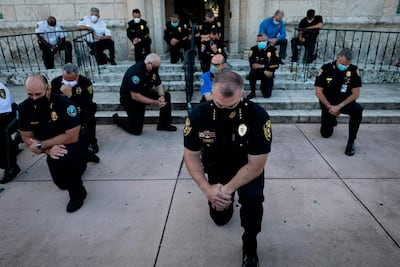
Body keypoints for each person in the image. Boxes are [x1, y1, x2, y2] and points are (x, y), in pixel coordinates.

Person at [183, 71, 272, 267]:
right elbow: (190, 156)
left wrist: (226, 190)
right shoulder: (198, 115)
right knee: (220, 218)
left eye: (230, 105)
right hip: (216, 168)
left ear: (242, 94)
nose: (223, 109)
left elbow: (257, 164)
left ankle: (250, 245)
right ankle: (222, 204)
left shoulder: (257, 116)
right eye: (218, 103)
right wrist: (208, 190)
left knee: (252, 200)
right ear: (211, 93)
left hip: (247, 169)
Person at [18, 74, 88, 212]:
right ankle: (85, 156)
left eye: (38, 94)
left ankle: (78, 194)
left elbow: (72, 136)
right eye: (30, 95)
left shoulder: (64, 104)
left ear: (48, 89)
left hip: (74, 140)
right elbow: (27, 137)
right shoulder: (24, 108)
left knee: (65, 160)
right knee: (61, 183)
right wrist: (47, 150)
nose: (34, 98)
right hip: (49, 144)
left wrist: (43, 145)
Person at [113, 53, 177, 135]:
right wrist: (154, 102)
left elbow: (158, 85)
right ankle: (118, 119)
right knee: (136, 130)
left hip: (144, 93)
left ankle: (164, 124)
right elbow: (135, 96)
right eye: (156, 67)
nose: (157, 69)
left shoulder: (152, 69)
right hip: (131, 100)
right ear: (149, 64)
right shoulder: (135, 72)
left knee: (166, 95)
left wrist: (161, 96)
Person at [315, 48, 363, 156]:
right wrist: (329, 107)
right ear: (337, 57)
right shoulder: (326, 68)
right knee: (325, 134)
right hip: (328, 104)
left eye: (347, 64)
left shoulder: (353, 70)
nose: (344, 66)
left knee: (358, 110)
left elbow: (356, 94)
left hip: (345, 103)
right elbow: (318, 92)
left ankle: (351, 142)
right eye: (342, 63)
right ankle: (332, 119)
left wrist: (339, 106)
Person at [50, 63, 100, 162]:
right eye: (66, 80)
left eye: (71, 80)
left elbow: (87, 101)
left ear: (77, 76)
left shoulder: (85, 82)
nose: (68, 83)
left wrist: (71, 96)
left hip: (81, 109)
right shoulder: (55, 83)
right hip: (63, 112)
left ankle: (92, 141)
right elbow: (53, 101)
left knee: (89, 116)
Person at [247, 34, 281, 99]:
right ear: (257, 41)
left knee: (267, 95)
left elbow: (276, 64)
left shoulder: (273, 50)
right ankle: (252, 92)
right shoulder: (253, 50)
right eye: (259, 41)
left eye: (263, 40)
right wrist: (264, 70)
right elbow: (253, 65)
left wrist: (262, 66)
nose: (261, 42)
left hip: (269, 73)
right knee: (252, 73)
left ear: (267, 40)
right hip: (258, 72)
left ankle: (263, 87)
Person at [0, 82, 20, 184]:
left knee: (4, 133)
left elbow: (3, 111)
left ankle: (11, 167)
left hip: (11, 115)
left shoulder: (0, 88)